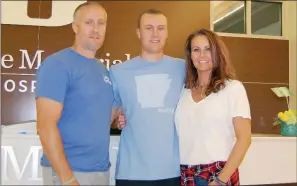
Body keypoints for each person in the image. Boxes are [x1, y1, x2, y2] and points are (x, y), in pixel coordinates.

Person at [35, 2, 114, 185]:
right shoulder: (58, 64)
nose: (96, 29)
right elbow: (45, 126)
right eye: (88, 22)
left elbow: (97, 118)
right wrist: (67, 178)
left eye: (101, 23)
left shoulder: (101, 69)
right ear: (74, 26)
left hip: (100, 171)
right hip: (70, 173)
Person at [109, 9, 186, 186]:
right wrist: (118, 120)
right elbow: (109, 116)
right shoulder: (118, 72)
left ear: (167, 33)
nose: (155, 33)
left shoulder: (183, 69)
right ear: (138, 32)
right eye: (149, 28)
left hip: (172, 171)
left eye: (160, 28)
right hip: (131, 173)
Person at [175, 29, 252, 186]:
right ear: (190, 56)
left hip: (217, 175)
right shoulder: (183, 91)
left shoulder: (233, 88)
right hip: (185, 175)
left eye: (208, 49)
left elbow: (244, 139)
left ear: (217, 53)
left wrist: (220, 180)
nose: (202, 55)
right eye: (196, 50)